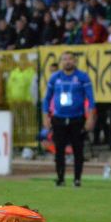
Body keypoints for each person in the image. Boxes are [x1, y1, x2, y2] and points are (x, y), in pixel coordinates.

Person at [43, 51, 96, 187]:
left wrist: (90, 117)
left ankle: (77, 179)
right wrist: (45, 116)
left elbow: (91, 99)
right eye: (64, 59)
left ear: (75, 61)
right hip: (59, 118)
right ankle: (60, 178)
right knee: (59, 150)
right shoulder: (55, 78)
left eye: (70, 59)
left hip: (77, 118)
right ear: (61, 62)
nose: (67, 62)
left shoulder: (82, 77)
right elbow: (47, 98)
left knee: (78, 150)